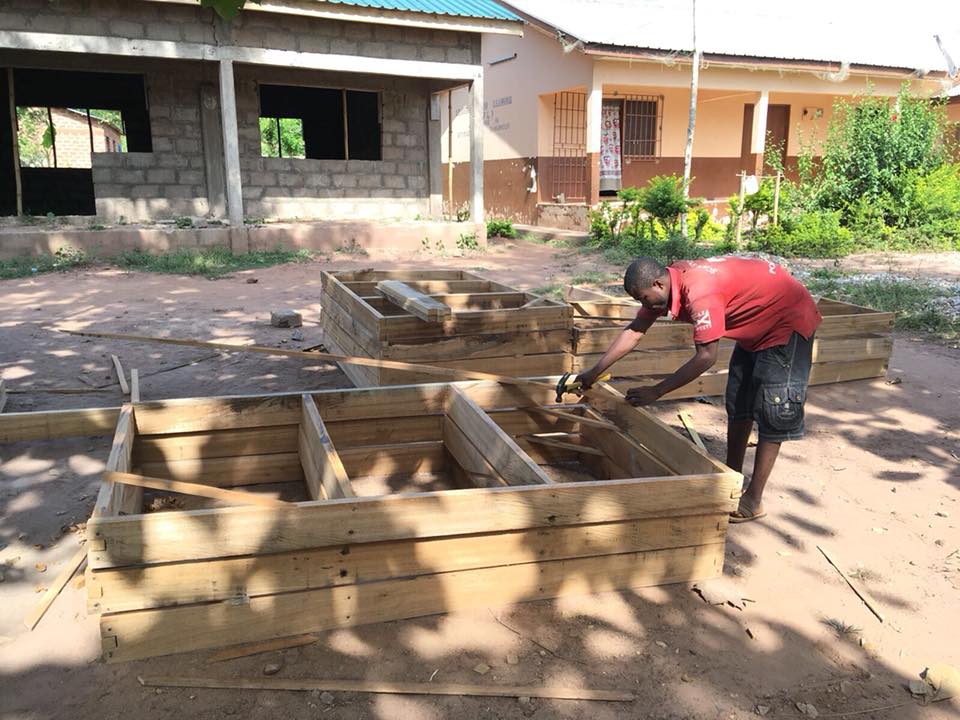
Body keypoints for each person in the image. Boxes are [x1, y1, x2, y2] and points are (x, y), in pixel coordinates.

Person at [576, 256, 822, 522]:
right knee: (739, 402)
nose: (643, 305)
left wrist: (657, 391)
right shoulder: (666, 287)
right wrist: (593, 372)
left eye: (643, 298)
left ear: (658, 284)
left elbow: (706, 357)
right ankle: (730, 479)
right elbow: (635, 330)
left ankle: (753, 500)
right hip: (756, 327)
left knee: (773, 409)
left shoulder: (700, 292)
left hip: (787, 321)